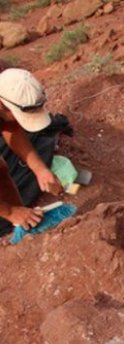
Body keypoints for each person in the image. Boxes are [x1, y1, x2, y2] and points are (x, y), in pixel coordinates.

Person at [0, 68, 63, 237]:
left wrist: (40, 169)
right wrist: (10, 211)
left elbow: (11, 128)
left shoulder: (6, 94)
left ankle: (18, 225)